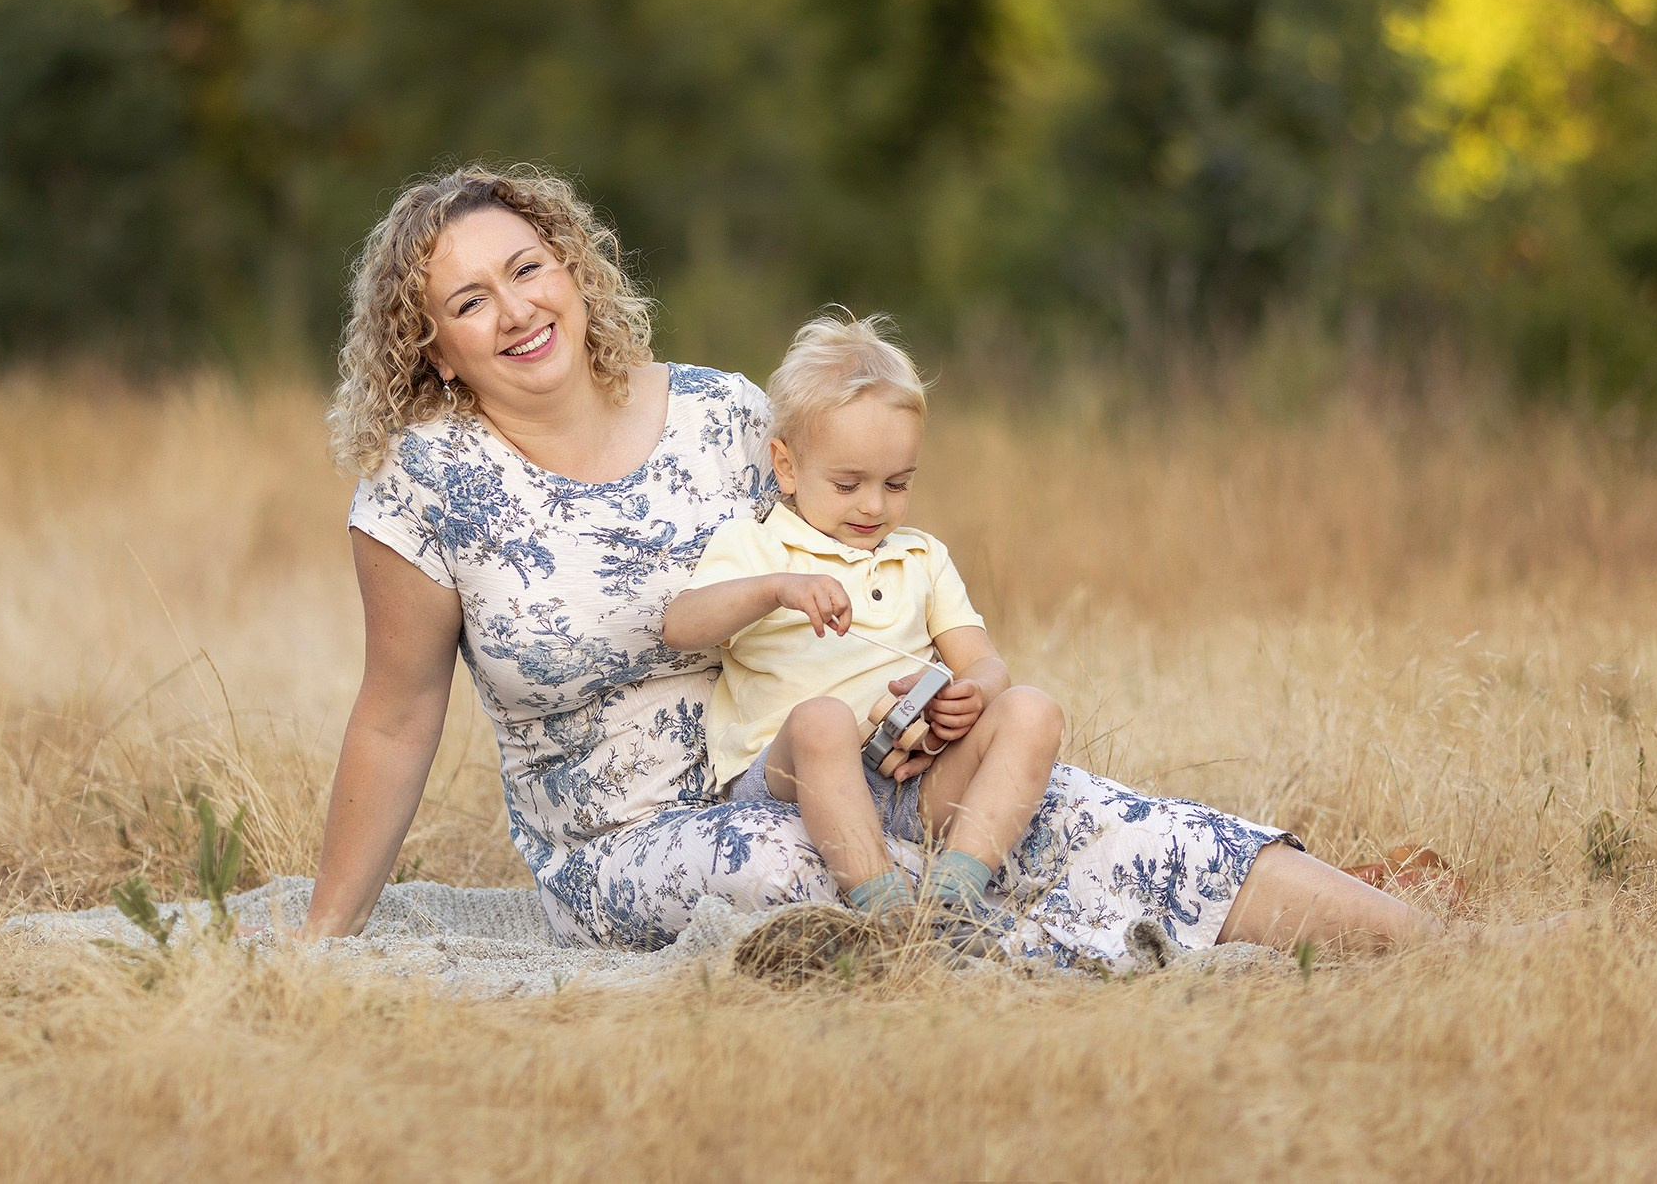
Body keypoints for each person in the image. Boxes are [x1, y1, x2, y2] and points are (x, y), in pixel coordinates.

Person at [298, 161, 1468, 962]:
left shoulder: (722, 413)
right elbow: (397, 719)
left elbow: (847, 582)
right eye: (467, 299)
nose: (513, 310)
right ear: (435, 348)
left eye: (525, 269)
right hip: (628, 848)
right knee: (804, 864)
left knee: (1049, 805)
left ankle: (1428, 946)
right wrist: (321, 943)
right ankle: (1078, 961)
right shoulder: (423, 486)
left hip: (836, 756)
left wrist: (919, 711)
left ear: (569, 266)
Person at [662, 311, 1063, 950]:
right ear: (786, 468)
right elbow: (680, 625)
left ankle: (954, 895)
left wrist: (973, 695)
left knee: (1034, 711)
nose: (874, 506)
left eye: (897, 484)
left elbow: (985, 663)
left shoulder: (921, 557)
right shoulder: (760, 546)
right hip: (792, 779)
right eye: (847, 484)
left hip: (908, 778)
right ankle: (886, 915)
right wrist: (777, 590)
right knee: (822, 720)